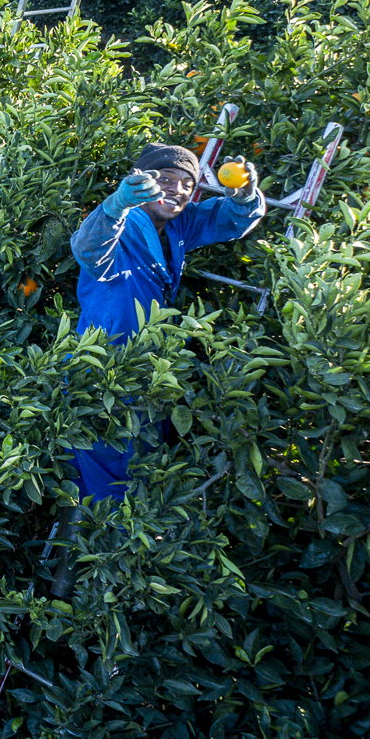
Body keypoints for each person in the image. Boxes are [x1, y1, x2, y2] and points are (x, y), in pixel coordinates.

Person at [66, 142, 265, 500]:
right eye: (166, 179)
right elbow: (87, 248)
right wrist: (116, 203)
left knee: (130, 473)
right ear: (139, 180)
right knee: (114, 485)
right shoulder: (121, 224)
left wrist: (245, 195)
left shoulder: (176, 226)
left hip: (147, 374)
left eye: (187, 183)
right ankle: (102, 535)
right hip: (104, 375)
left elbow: (228, 220)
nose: (178, 189)